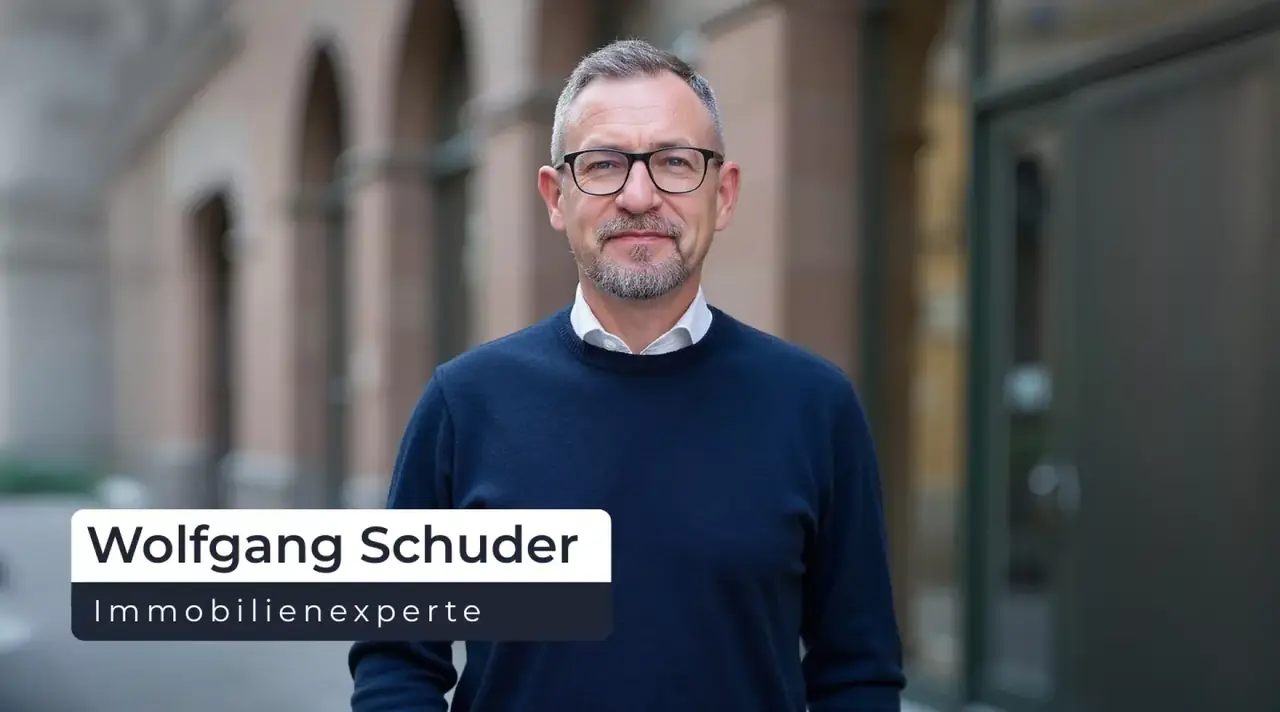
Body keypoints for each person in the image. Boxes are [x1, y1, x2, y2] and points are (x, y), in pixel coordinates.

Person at [349, 39, 905, 711]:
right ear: (556, 196)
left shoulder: (816, 408)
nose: (639, 196)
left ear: (722, 194)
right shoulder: (464, 406)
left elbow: (858, 672)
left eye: (674, 162)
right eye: (604, 165)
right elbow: (395, 658)